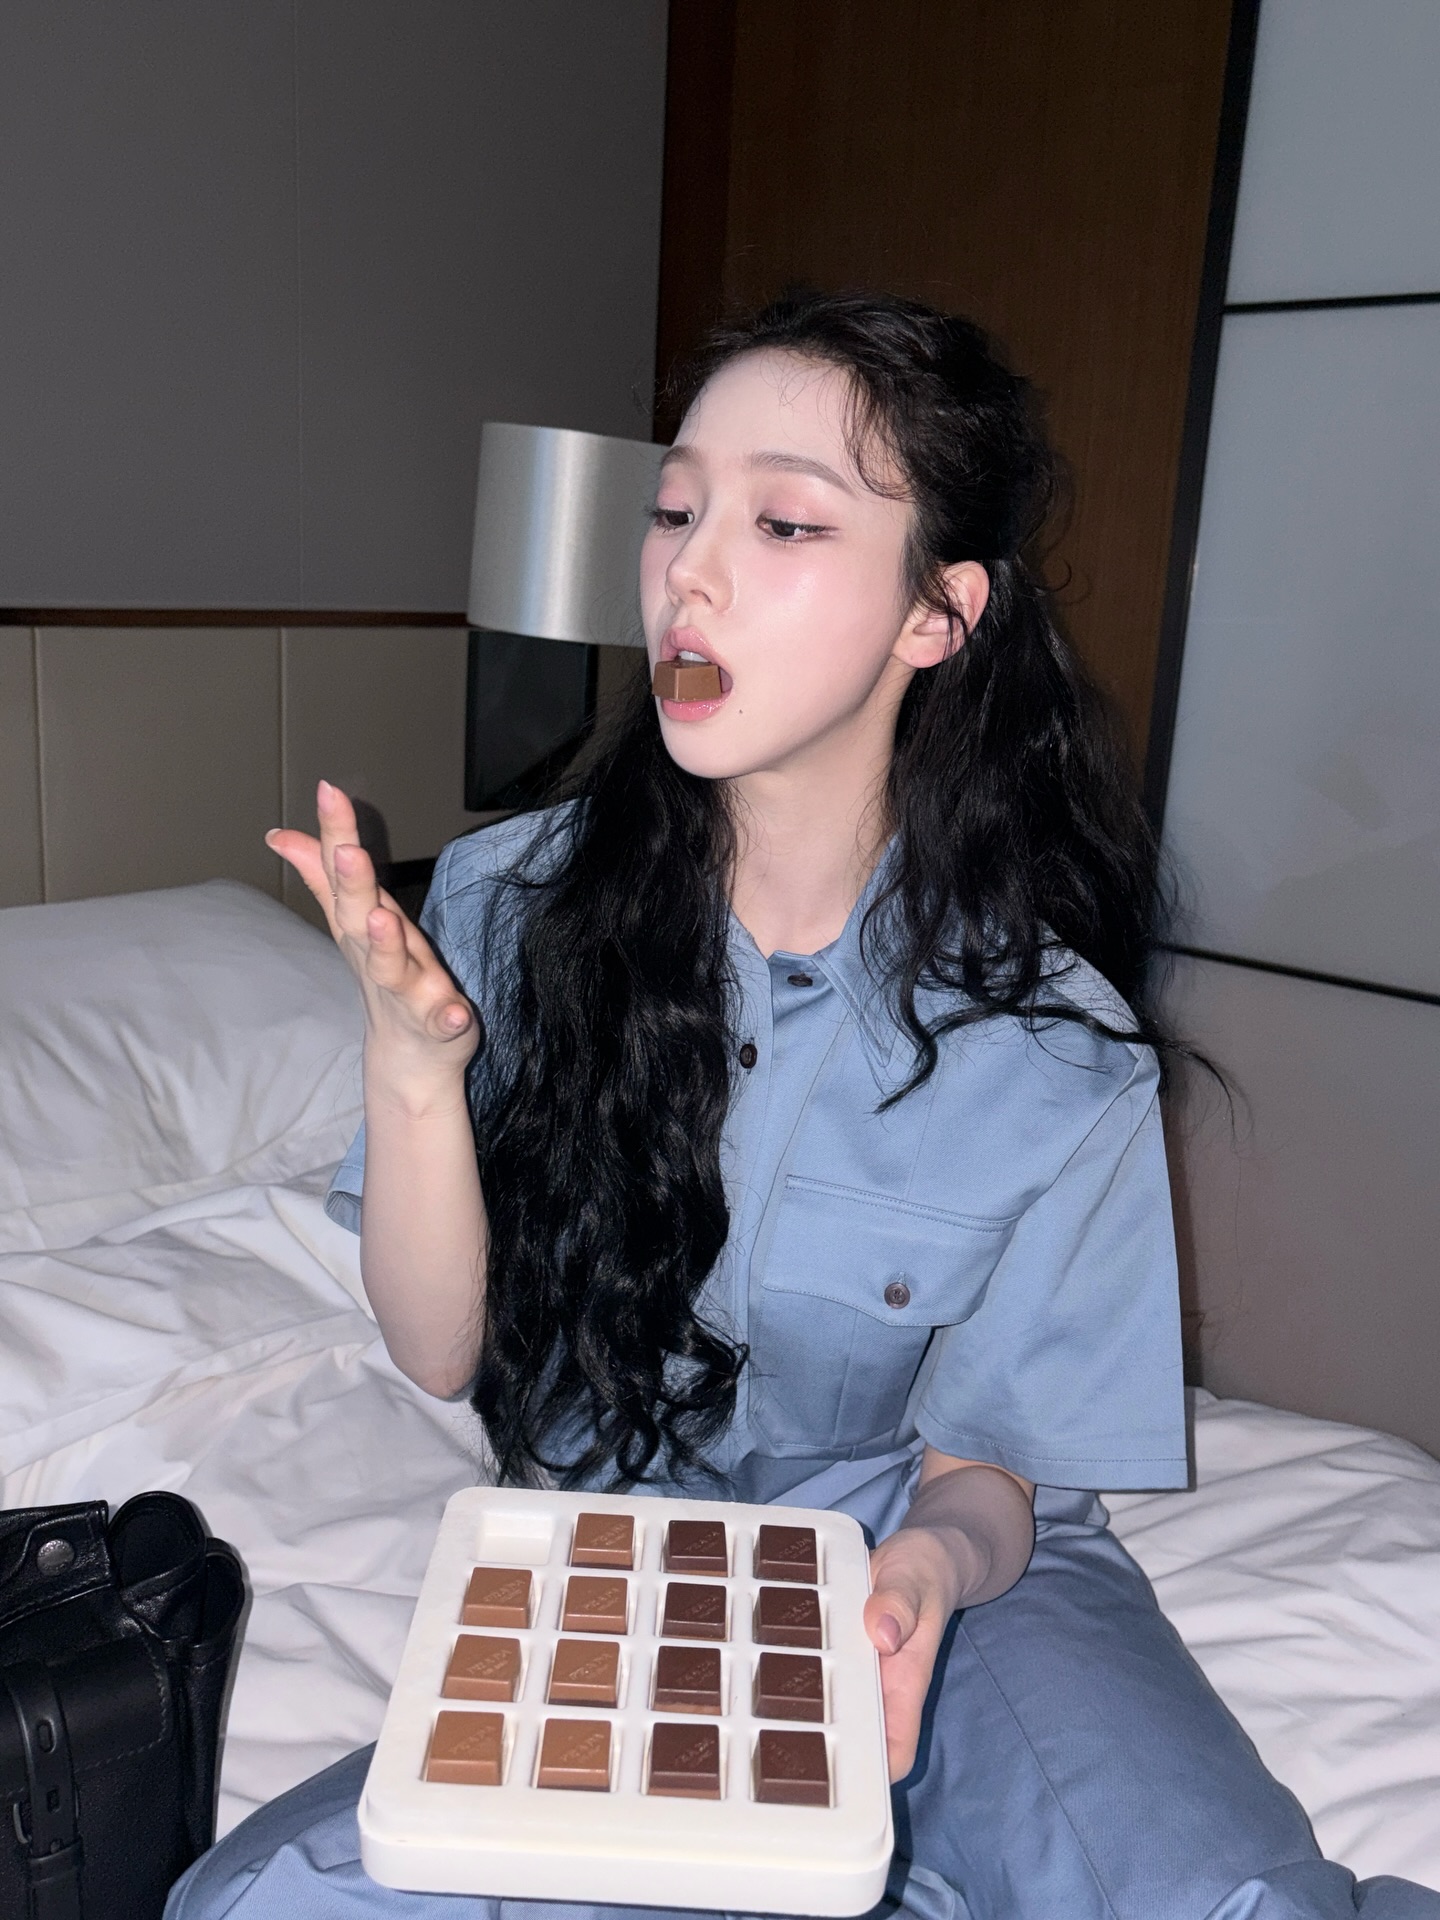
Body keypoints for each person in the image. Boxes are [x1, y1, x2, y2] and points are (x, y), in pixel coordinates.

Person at [166, 292, 1439, 1919]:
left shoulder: (1054, 1045)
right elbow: (436, 1350)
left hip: (954, 1582)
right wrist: (415, 1075)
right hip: (635, 1574)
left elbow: (988, 1472)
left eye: (781, 522)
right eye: (675, 510)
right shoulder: (506, 905)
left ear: (938, 614)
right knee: (266, 1904)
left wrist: (931, 1574)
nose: (686, 573)